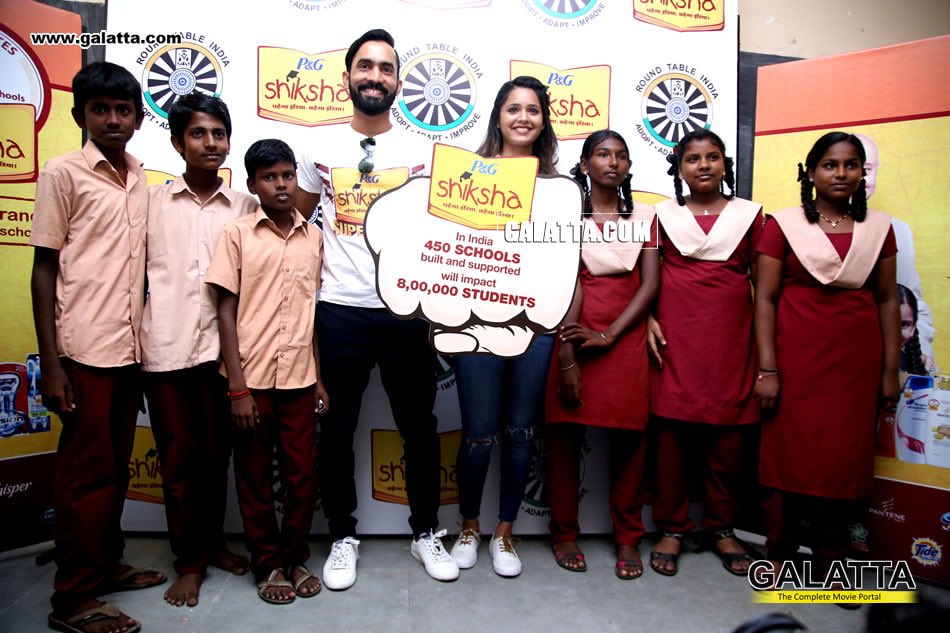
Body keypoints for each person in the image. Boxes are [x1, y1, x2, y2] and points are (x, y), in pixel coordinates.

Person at [295, 29, 457, 587]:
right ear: (347, 78)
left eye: (386, 69)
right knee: (336, 428)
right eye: (365, 66)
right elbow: (296, 230)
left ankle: (425, 533)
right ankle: (342, 535)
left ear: (398, 82)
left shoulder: (421, 153)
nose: (375, 76)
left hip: (406, 312)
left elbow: (440, 235)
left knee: (419, 426)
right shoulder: (318, 152)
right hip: (340, 308)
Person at [30, 61, 165, 633]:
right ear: (80, 115)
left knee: (111, 471)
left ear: (137, 118)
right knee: (84, 478)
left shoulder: (140, 179)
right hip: (82, 352)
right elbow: (43, 271)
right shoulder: (63, 174)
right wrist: (53, 364)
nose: (113, 120)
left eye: (123, 110)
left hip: (128, 350)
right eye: (100, 110)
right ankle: (73, 600)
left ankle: (104, 566)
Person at [755, 131, 900, 594]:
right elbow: (765, 301)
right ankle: (780, 550)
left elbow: (887, 302)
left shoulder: (880, 228)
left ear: (863, 173)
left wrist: (890, 370)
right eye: (831, 165)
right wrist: (768, 369)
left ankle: (832, 555)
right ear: (811, 172)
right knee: (788, 458)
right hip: (795, 362)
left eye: (852, 165)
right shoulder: (782, 225)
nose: (842, 174)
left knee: (844, 463)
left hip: (854, 365)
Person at [140, 93, 258, 608]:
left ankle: (211, 546)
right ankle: (188, 562)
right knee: (179, 463)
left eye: (218, 134)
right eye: (198, 134)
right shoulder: (151, 204)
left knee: (217, 461)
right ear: (176, 141)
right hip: (165, 351)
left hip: (224, 356)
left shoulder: (246, 206)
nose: (210, 143)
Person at [205, 139, 328, 605]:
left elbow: (311, 313)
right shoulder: (238, 234)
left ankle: (294, 556)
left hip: (298, 377)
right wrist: (237, 388)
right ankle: (267, 563)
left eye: (287, 175)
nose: (281, 185)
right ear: (253, 184)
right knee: (254, 476)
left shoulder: (313, 237)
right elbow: (225, 309)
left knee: (301, 474)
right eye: (270, 177)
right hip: (250, 379)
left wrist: (318, 379)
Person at [447, 76, 559, 578]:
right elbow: (449, 249)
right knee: (478, 434)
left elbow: (565, 262)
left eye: (532, 110)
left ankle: (505, 533)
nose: (522, 118)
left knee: (519, 431)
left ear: (543, 120)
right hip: (477, 321)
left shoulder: (560, 189)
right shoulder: (470, 177)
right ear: (498, 116)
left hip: (536, 323)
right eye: (513, 108)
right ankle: (469, 526)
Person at [544, 129, 660, 579]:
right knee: (563, 439)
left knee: (631, 442)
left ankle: (628, 537)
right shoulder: (565, 217)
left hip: (623, 335)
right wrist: (568, 354)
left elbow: (650, 285)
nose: (613, 162)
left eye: (621, 156)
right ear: (585, 164)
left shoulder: (647, 218)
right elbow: (564, 283)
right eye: (602, 154)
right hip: (571, 332)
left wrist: (610, 336)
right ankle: (564, 532)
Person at [646, 130, 761, 577]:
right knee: (672, 440)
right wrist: (649, 318)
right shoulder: (661, 215)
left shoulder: (751, 216)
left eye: (713, 157)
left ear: (726, 164)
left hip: (731, 340)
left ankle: (721, 526)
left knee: (727, 441)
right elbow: (647, 275)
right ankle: (672, 528)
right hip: (676, 339)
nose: (704, 165)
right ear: (679, 167)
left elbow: (764, 283)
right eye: (693, 159)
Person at [854, 132, 936, 370]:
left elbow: (912, 300)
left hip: (885, 362)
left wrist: (921, 355)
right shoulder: (798, 228)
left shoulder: (897, 230)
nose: (854, 176)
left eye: (865, 168)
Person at [898, 284, 930, 375]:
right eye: (886, 322)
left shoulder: (911, 362)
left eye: (903, 324)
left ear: (913, 328)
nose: (894, 332)